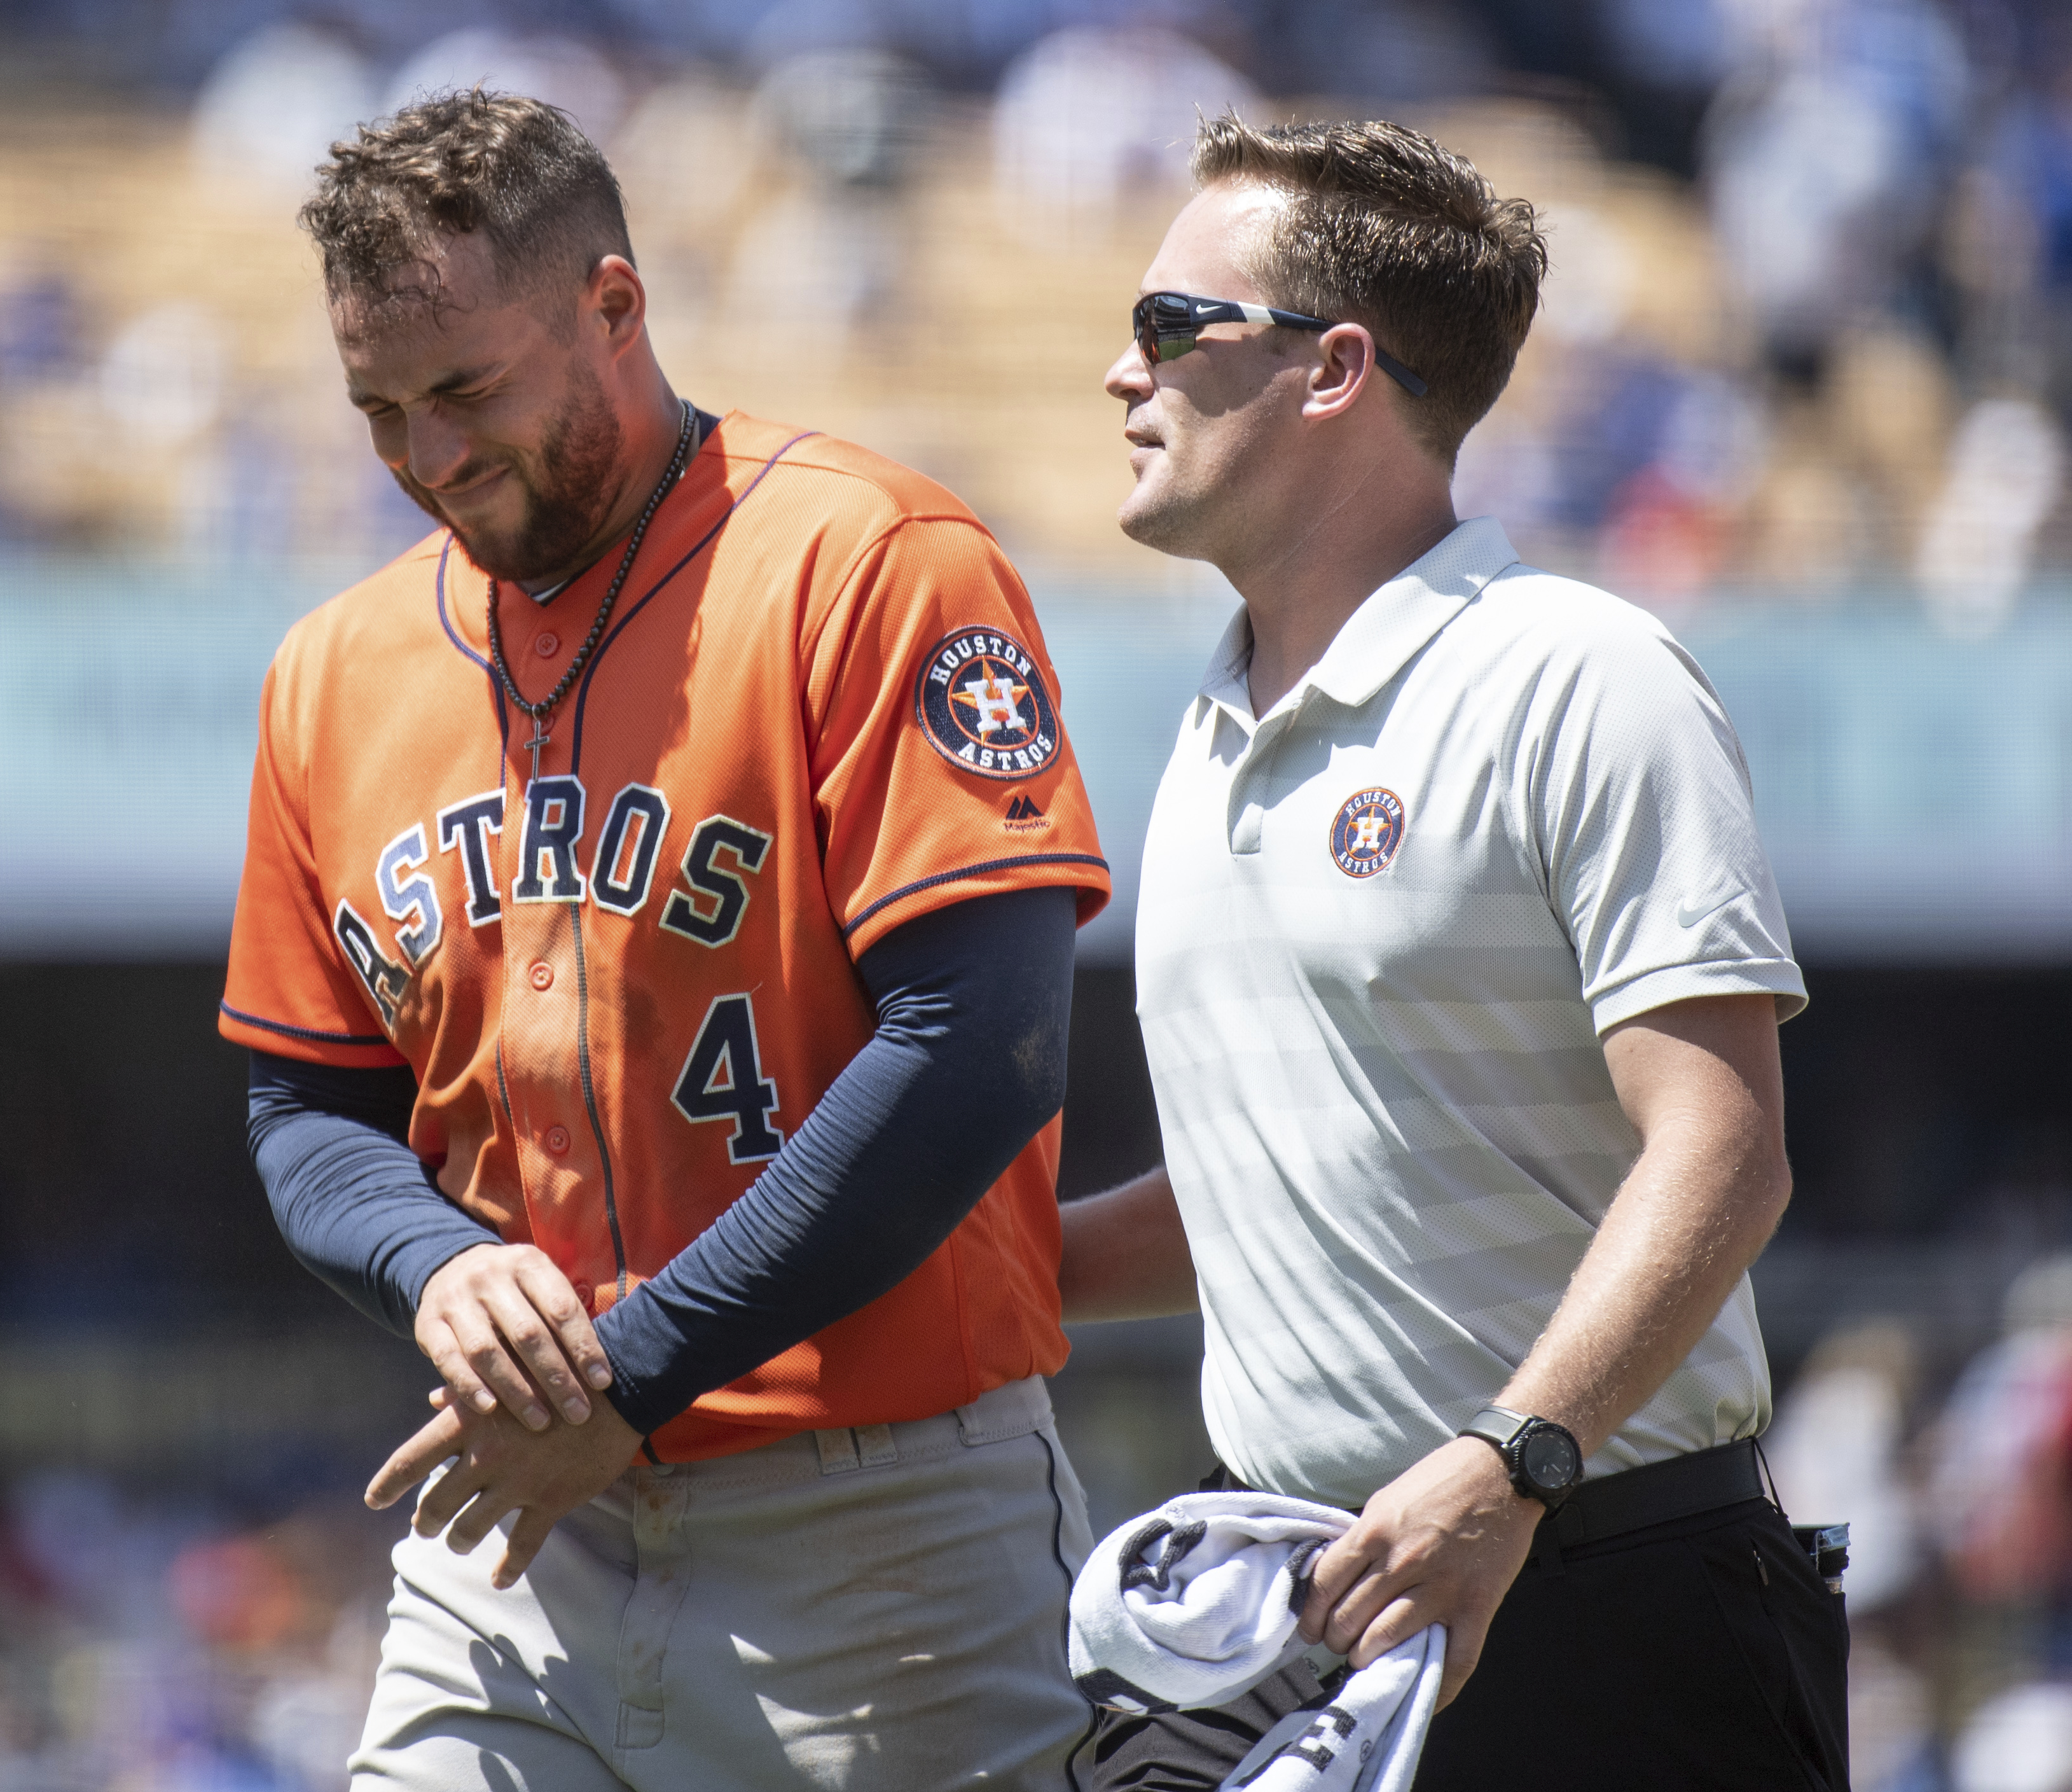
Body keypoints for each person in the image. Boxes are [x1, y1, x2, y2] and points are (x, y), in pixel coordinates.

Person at [218, 90, 1114, 1791]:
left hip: (881, 1528)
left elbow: (979, 1042)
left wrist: (633, 1361)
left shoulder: (871, 561)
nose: (426, 456)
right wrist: (437, 1259)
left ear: (614, 309)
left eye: (466, 390)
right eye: (378, 410)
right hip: (515, 1547)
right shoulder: (329, 670)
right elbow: (304, 1107)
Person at [1060, 115, 1849, 1790]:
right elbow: (1270, 1191)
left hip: (1601, 1584)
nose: (1118, 375)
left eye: (1166, 327)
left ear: (1333, 368)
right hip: (1304, 1605)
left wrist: (1507, 1464)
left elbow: (1724, 1148)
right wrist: (949, 1278)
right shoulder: (1206, 730)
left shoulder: (1579, 673)